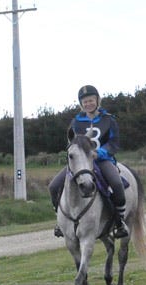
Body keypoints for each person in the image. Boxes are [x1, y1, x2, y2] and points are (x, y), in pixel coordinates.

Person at [48, 84, 129, 239]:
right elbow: (71, 143)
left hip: (102, 160)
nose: (88, 104)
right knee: (53, 186)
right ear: (81, 104)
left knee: (117, 184)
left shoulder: (108, 120)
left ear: (97, 100)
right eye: (85, 102)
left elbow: (114, 143)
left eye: (91, 100)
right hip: (80, 163)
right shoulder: (76, 122)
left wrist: (99, 153)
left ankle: (120, 222)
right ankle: (60, 222)